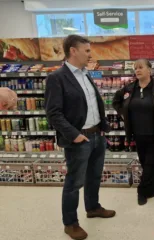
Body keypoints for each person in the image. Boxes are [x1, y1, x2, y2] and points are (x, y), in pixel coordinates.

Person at [45, 35, 115, 240]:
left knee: (94, 176)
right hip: (79, 139)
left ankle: (92, 207)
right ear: (73, 51)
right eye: (86, 50)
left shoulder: (85, 74)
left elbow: (92, 103)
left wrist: (103, 127)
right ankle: (70, 223)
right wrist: (74, 135)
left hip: (96, 135)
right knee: (74, 182)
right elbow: (53, 113)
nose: (90, 54)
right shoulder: (56, 78)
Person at [113, 59, 154, 206]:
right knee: (146, 162)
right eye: (135, 68)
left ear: (149, 69)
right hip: (138, 133)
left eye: (141, 67)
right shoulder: (129, 89)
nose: (137, 70)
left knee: (149, 163)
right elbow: (116, 101)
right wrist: (123, 113)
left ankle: (142, 191)